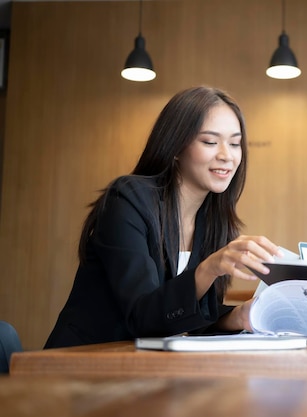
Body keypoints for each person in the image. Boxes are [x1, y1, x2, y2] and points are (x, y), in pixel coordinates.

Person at [45, 86, 282, 348]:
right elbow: (143, 317)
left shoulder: (213, 221)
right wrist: (209, 267)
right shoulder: (127, 199)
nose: (227, 155)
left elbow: (182, 314)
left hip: (140, 370)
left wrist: (238, 316)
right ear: (176, 147)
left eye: (235, 144)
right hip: (78, 365)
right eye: (210, 142)